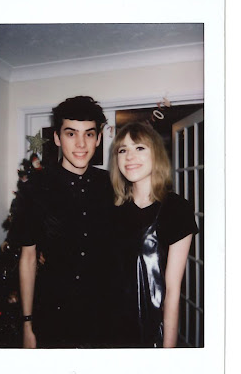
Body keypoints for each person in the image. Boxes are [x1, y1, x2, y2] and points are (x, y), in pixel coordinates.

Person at [10, 96, 113, 348]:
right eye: (71, 133)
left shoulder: (111, 185)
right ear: (57, 138)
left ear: (98, 139)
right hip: (53, 318)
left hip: (104, 318)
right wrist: (27, 324)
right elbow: (28, 258)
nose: (81, 144)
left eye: (89, 134)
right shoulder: (35, 189)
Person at [108, 122, 197, 348]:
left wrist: (167, 351)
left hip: (150, 334)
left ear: (156, 154)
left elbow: (172, 290)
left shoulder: (176, 209)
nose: (130, 156)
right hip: (110, 331)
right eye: (123, 150)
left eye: (139, 148)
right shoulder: (111, 209)